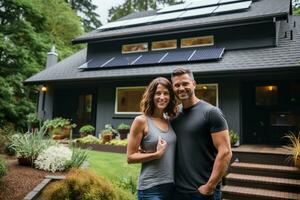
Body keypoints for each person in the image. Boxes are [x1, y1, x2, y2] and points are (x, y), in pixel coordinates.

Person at [171, 68, 232, 200]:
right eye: (177, 85)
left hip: (201, 192)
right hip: (177, 191)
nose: (181, 88)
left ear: (194, 84)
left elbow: (225, 152)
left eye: (185, 83)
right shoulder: (174, 114)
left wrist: (210, 186)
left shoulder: (211, 112)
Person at [127, 77, 177, 200]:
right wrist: (156, 154)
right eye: (158, 93)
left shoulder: (170, 120)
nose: (162, 97)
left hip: (172, 186)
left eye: (166, 93)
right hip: (150, 187)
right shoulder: (141, 121)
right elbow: (130, 157)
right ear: (151, 95)